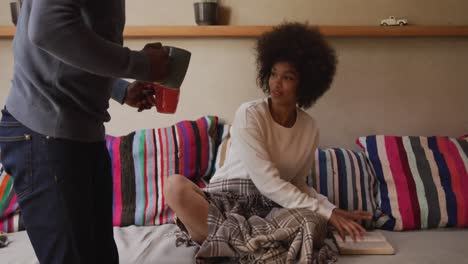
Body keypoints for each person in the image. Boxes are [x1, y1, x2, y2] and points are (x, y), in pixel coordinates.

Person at [164, 22, 372, 255]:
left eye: (288, 77)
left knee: (313, 222)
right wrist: (327, 211)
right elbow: (267, 182)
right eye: (273, 74)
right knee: (174, 186)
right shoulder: (249, 113)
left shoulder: (309, 127)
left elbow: (297, 185)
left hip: (270, 210)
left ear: (305, 83)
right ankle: (253, 248)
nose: (276, 83)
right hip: (225, 201)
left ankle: (225, 246)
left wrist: (331, 209)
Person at [0, 1, 171, 263]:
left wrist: (119, 89)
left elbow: (74, 38)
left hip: (78, 134)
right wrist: (141, 64)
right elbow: (47, 29)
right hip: (46, 131)